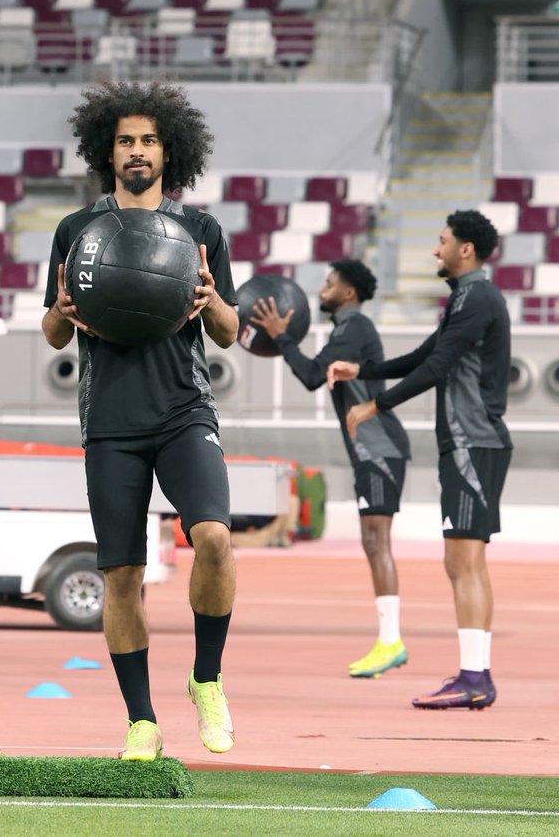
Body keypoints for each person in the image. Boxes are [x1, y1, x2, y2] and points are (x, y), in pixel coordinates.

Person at [42, 82, 239, 761]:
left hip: (183, 411)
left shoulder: (202, 232)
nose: (136, 151)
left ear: (169, 151)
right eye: (125, 140)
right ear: (107, 148)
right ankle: (141, 720)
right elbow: (53, 334)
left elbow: (232, 332)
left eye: (149, 140)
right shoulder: (76, 231)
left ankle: (206, 679)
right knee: (122, 576)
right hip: (110, 423)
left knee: (213, 536)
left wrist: (212, 301)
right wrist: (61, 311)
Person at [328, 210, 511, 710]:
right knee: (460, 562)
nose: (436, 249)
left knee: (466, 562)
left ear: (465, 250)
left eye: (442, 240)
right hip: (465, 444)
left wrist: (374, 403)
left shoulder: (477, 297)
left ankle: (476, 678)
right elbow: (423, 354)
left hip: (475, 442)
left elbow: (435, 366)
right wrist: (362, 369)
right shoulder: (466, 299)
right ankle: (473, 674)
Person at [249, 260, 412, 678]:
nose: (322, 290)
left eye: (329, 284)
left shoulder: (353, 328)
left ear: (349, 292)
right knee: (372, 540)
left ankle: (390, 641)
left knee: (376, 540)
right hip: (371, 448)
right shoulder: (347, 329)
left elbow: (308, 376)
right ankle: (388, 640)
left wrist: (280, 336)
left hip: (379, 447)